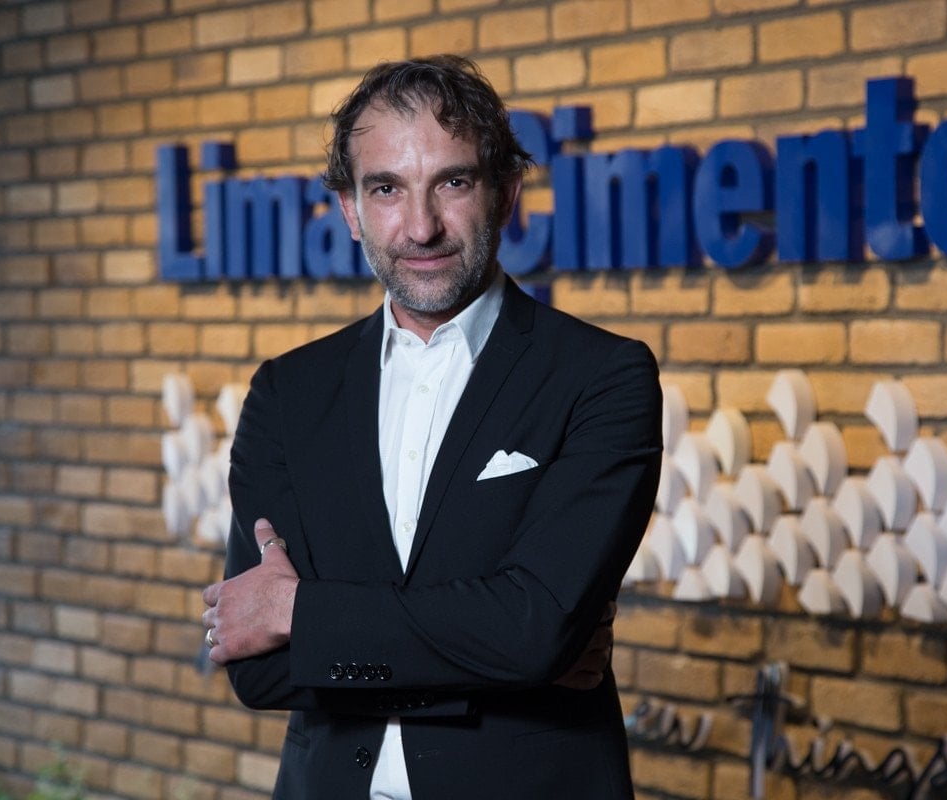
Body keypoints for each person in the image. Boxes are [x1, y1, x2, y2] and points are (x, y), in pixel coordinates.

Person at [200, 54, 662, 799]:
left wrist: (300, 612)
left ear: (506, 193)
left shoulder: (602, 376)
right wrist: (508, 659)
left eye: (453, 182)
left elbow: (533, 628)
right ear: (350, 209)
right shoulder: (288, 393)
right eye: (386, 188)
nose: (421, 227)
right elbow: (258, 667)